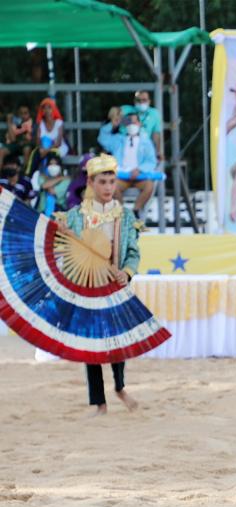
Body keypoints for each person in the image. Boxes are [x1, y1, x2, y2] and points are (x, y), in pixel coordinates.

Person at [54, 154, 141, 416]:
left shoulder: (124, 216)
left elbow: (134, 253)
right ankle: (99, 402)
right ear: (91, 182)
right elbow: (63, 250)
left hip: (114, 284)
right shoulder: (73, 217)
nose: (108, 188)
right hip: (87, 284)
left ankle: (119, 386)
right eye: (102, 182)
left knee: (118, 341)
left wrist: (126, 272)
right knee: (91, 346)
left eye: (112, 182)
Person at [98, 107, 161, 216]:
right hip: (122, 175)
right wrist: (115, 124)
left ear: (140, 124)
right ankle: (122, 213)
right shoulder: (118, 140)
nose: (132, 124)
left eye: (135, 122)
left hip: (140, 176)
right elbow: (102, 137)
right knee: (111, 187)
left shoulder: (146, 142)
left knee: (149, 186)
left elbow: (151, 161)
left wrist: (139, 169)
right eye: (129, 122)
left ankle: (136, 211)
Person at [30, 150, 69, 216]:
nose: (53, 167)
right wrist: (61, 178)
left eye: (55, 164)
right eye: (51, 164)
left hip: (59, 213)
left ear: (60, 167)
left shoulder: (66, 181)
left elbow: (52, 191)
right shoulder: (41, 177)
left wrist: (49, 181)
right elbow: (44, 186)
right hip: (41, 212)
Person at [131, 90, 163, 163]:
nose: (141, 102)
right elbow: (117, 123)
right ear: (134, 101)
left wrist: (158, 151)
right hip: (126, 147)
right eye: (138, 100)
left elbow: (156, 134)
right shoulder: (126, 110)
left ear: (149, 101)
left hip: (144, 149)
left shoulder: (154, 113)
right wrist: (132, 121)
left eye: (144, 100)